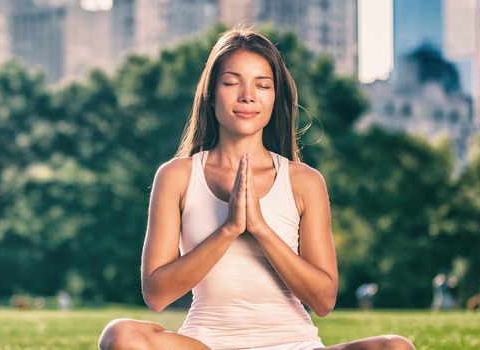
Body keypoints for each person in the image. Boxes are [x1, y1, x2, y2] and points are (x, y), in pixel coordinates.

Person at [97, 28, 415, 350]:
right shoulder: (176, 176)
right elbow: (156, 293)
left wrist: (260, 228)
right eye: (232, 82)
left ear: (274, 97)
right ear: (210, 93)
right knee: (120, 335)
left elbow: (323, 300)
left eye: (262, 85)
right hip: (208, 343)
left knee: (396, 347)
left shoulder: (304, 181)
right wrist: (229, 229)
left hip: (294, 344)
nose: (248, 96)